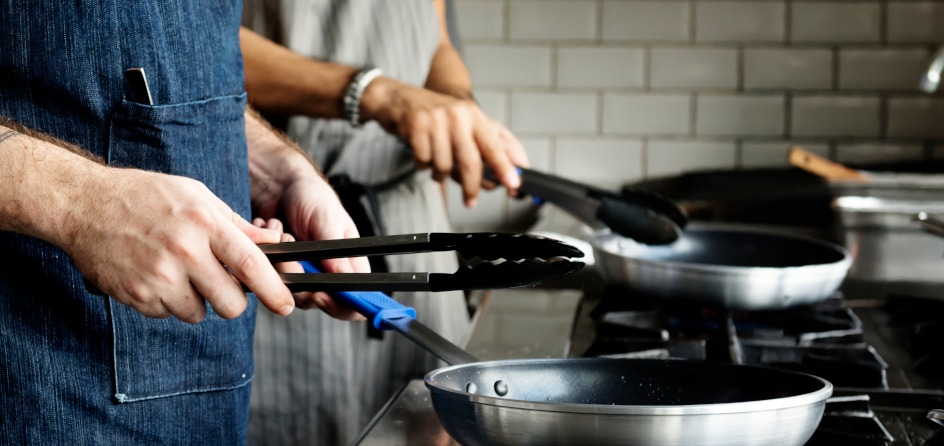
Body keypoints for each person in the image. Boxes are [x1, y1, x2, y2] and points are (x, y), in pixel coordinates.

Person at [0, 1, 368, 443]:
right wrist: (83, 204)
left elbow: (174, 72)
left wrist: (278, 172)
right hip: (41, 380)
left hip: (212, 381)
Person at [240, 1, 530, 444]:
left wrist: (454, 110)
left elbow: (437, 41)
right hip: (281, 232)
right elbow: (193, 48)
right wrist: (374, 93)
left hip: (408, 222)